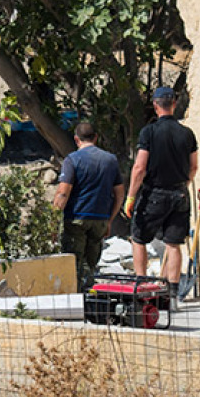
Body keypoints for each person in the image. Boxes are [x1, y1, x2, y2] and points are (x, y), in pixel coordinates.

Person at [124, 86, 199, 299]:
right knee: (173, 244)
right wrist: (184, 183)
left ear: (156, 105)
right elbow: (193, 167)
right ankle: (172, 293)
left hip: (154, 194)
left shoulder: (149, 132)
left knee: (138, 238)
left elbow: (139, 167)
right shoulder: (187, 134)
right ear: (174, 104)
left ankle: (141, 285)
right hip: (180, 194)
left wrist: (131, 196)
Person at [52, 122, 125, 291]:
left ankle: (75, 300)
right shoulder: (110, 160)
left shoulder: (72, 160)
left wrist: (53, 222)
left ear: (77, 139)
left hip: (77, 218)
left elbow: (63, 193)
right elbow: (119, 194)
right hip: (99, 220)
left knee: (73, 264)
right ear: (96, 138)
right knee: (90, 265)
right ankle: (89, 297)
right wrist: (109, 220)